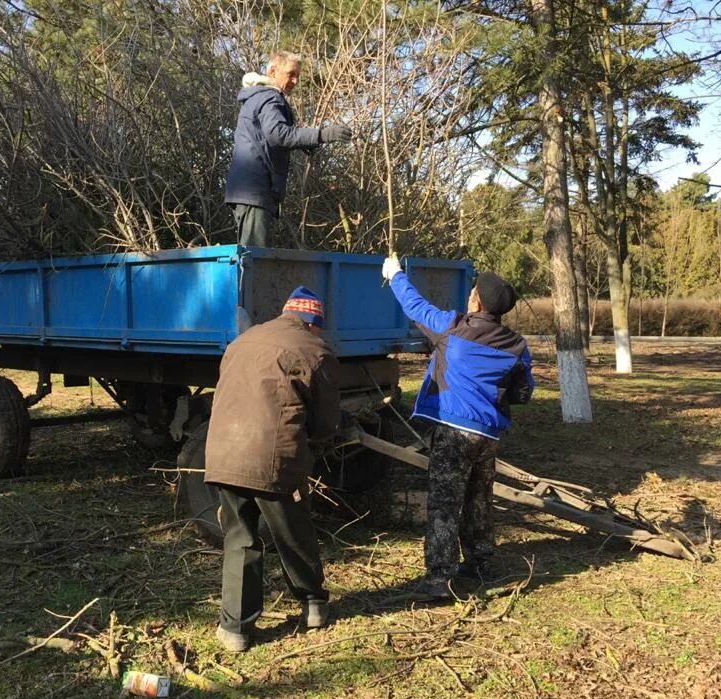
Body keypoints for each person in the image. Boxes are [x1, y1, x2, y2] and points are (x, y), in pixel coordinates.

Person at [382, 256, 534, 599]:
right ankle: (480, 562)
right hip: (488, 435)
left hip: (453, 431)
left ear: (477, 301)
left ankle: (439, 578)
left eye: (472, 292)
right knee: (479, 497)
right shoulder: (516, 345)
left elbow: (415, 306)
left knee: (444, 503)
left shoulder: (452, 328)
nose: (469, 296)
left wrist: (395, 275)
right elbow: (524, 393)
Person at [204, 286, 340, 652]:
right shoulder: (315, 350)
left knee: (240, 538)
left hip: (222, 454)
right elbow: (327, 424)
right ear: (314, 323)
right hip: (273, 459)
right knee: (293, 531)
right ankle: (313, 604)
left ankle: (235, 629)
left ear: (285, 313)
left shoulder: (241, 342)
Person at [224, 51, 352, 247]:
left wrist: (304, 143)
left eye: (298, 76)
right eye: (291, 74)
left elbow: (264, 138)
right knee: (252, 260)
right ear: (273, 71)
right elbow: (279, 134)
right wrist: (323, 134)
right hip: (255, 190)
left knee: (250, 256)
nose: (295, 81)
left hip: (247, 189)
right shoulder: (270, 97)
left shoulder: (257, 97)